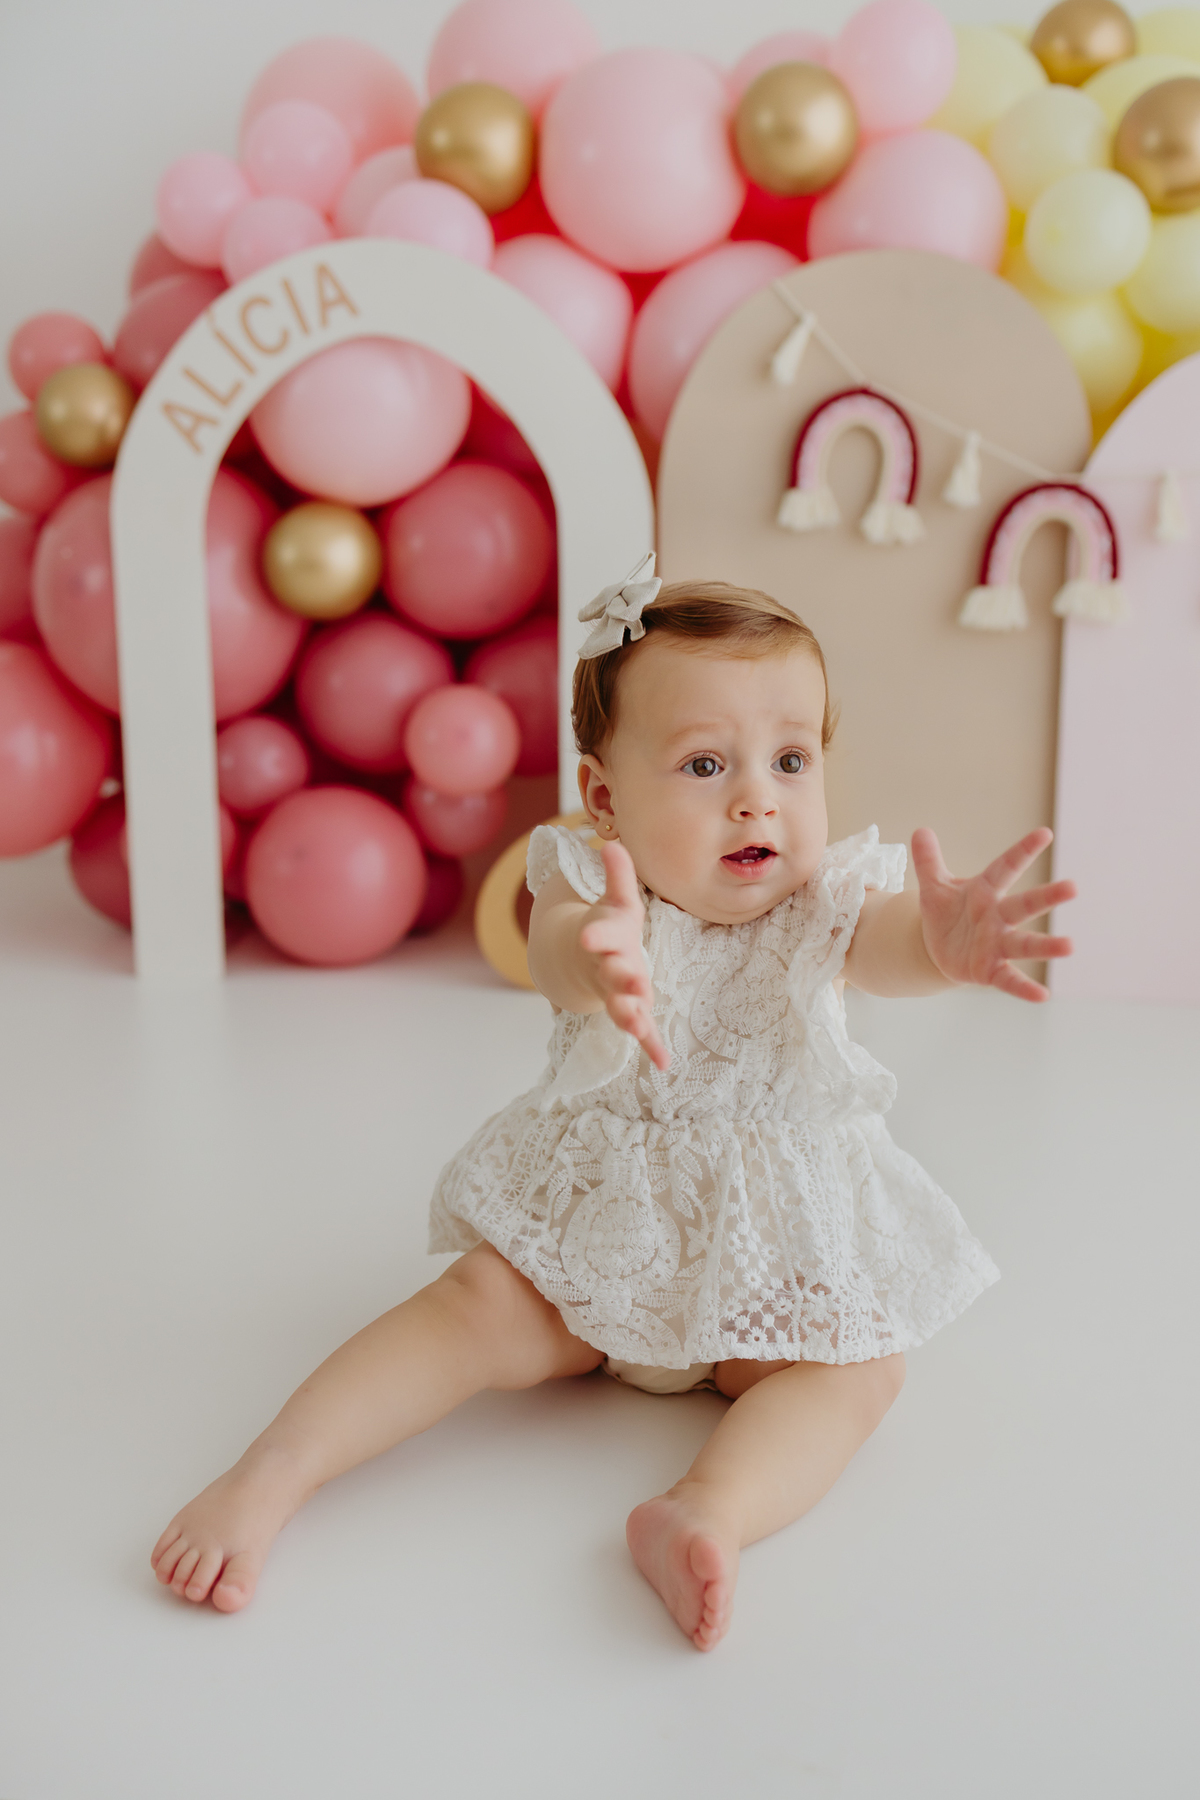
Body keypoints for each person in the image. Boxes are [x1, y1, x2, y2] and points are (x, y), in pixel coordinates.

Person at [151, 560, 1075, 1651]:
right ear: (604, 797)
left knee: (863, 1369)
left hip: (763, 1264)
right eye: (704, 764)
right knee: (470, 1306)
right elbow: (556, 948)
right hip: (593, 1245)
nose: (757, 798)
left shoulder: (822, 903)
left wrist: (940, 945)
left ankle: (706, 1511)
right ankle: (274, 1471)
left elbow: (884, 946)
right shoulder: (592, 882)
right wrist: (599, 959)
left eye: (791, 759)